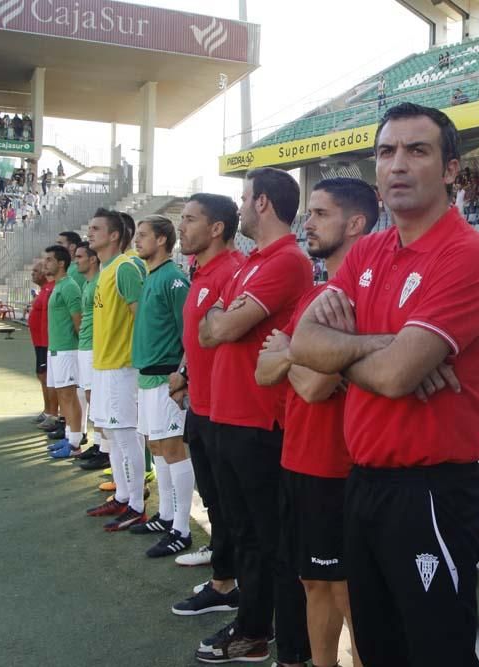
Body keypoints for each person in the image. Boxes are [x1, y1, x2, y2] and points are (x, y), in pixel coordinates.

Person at [289, 103, 479, 667]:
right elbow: (304, 344)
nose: (398, 165)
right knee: (378, 647)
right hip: (362, 482)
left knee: (436, 651)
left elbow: (390, 377)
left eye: (418, 150)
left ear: (452, 169)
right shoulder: (366, 251)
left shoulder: (468, 256)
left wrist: (364, 355)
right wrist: (390, 344)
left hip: (429, 491)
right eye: (387, 152)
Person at [254, 178, 378, 667]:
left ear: (355, 223)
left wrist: (293, 355)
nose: (307, 222)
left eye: (321, 213)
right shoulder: (316, 295)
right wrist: (295, 356)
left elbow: (312, 387)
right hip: (298, 461)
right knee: (311, 581)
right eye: (309, 212)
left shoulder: (356, 298)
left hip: (337, 467)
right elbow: (265, 372)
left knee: (348, 593)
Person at [196, 168, 312, 664]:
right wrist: (221, 319)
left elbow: (225, 326)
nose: (240, 207)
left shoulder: (286, 261)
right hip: (228, 415)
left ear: (262, 203)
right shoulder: (251, 263)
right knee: (244, 532)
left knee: (265, 538)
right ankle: (253, 624)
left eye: (244, 199)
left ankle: (263, 633)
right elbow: (209, 330)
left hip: (259, 419)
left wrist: (223, 319)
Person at [169, 194, 244, 604]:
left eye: (190, 219)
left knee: (230, 505)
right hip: (200, 404)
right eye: (181, 218)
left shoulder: (233, 272)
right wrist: (183, 372)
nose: (182, 226)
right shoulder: (202, 271)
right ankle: (224, 577)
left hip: (224, 411)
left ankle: (228, 584)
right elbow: (197, 339)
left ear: (217, 228)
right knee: (215, 500)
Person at [128, 215, 195, 557]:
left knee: (173, 450)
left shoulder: (173, 280)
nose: (136, 241)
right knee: (158, 449)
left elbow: (191, 333)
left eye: (143, 236)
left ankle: (182, 530)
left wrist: (182, 374)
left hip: (166, 378)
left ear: (163, 240)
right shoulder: (151, 277)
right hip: (147, 378)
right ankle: (167, 516)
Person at [84, 209, 148, 531]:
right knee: (111, 434)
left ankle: (136, 504)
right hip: (104, 366)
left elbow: (142, 318)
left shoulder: (124, 268)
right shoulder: (105, 271)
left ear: (114, 235)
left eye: (96, 228)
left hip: (122, 367)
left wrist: (137, 360)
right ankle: (123, 496)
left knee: (125, 437)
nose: (90, 232)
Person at [42, 245, 83, 458]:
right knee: (63, 396)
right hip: (57, 350)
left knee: (69, 397)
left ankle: (75, 444)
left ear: (61, 263)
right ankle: (69, 437)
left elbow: (79, 322)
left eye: (49, 259)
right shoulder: (58, 286)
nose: (45, 263)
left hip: (68, 350)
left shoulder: (69, 287)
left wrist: (80, 351)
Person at [72, 242, 105, 467]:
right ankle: (100, 445)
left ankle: (105, 450)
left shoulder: (98, 284)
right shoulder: (88, 284)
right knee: (92, 397)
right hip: (86, 347)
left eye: (80, 257)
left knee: (97, 399)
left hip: (93, 347)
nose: (77, 261)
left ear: (93, 259)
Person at [28, 260, 58, 428]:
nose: (33, 273)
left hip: (46, 341)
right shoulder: (44, 290)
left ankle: (53, 413)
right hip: (39, 341)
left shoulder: (51, 288)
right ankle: (48, 410)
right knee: (42, 376)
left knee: (47, 377)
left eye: (36, 270)